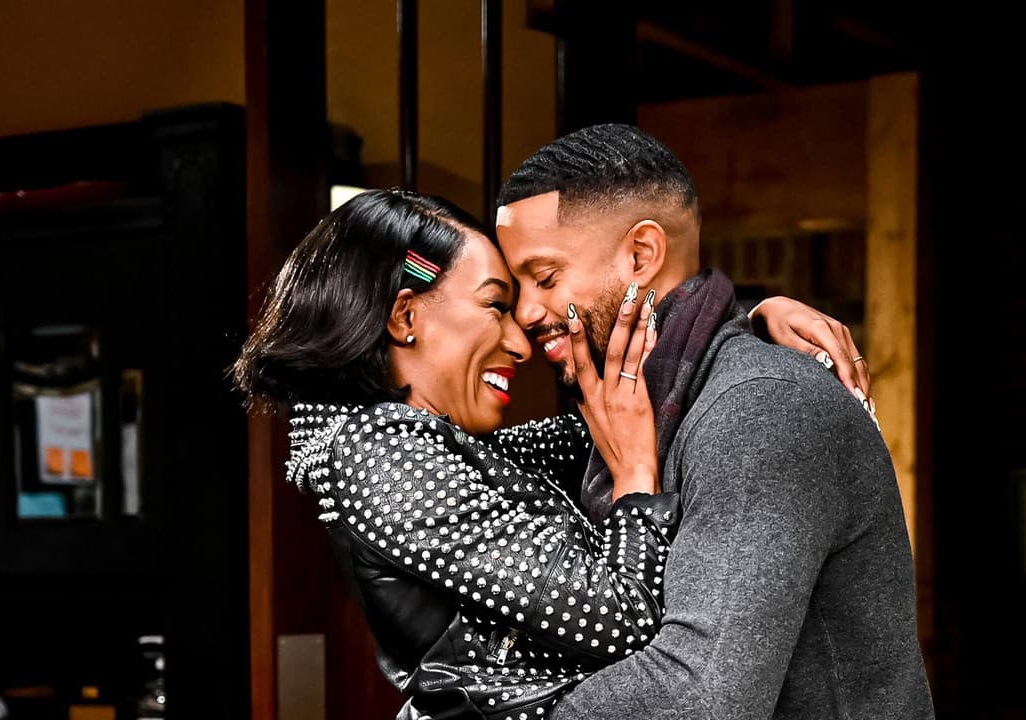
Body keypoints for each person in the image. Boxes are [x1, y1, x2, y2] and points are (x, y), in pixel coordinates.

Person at [232, 188, 872, 718]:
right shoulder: (380, 460)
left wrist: (742, 328)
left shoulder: (436, 451)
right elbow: (621, 623)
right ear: (405, 317)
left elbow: (631, 408)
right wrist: (636, 480)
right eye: (495, 305)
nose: (521, 341)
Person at [495, 123, 934, 719]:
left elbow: (700, 696)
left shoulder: (764, 410)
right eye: (514, 289)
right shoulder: (630, 412)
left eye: (545, 277)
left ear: (641, 255)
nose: (525, 313)